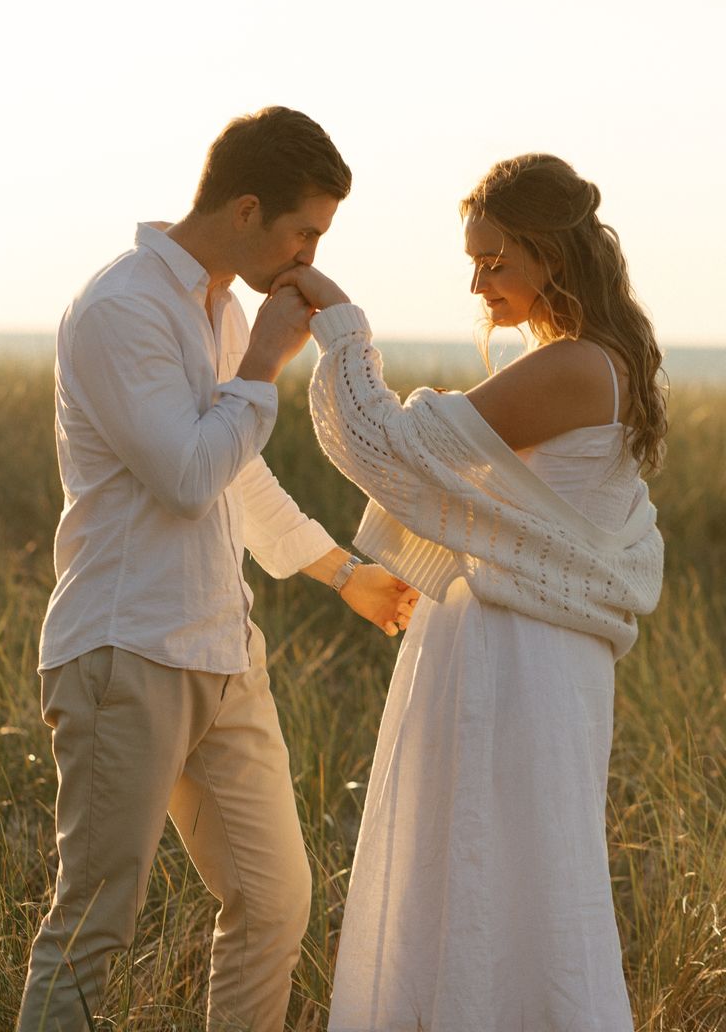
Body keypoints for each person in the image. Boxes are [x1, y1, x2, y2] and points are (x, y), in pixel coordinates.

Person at [17, 106, 417, 1032]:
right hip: (127, 652)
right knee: (92, 926)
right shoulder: (123, 308)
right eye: (306, 231)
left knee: (276, 903)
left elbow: (240, 472)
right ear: (247, 209)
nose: (312, 253)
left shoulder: (226, 307)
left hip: (225, 654)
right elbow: (192, 477)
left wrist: (340, 571)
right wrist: (267, 361)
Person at [269, 153, 667, 1031]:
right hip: (527, 653)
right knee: (506, 872)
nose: (479, 280)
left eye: (495, 260)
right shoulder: (596, 363)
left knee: (496, 871)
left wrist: (342, 330)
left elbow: (393, 447)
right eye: (473, 261)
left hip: (516, 658)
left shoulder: (573, 368)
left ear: (550, 255)